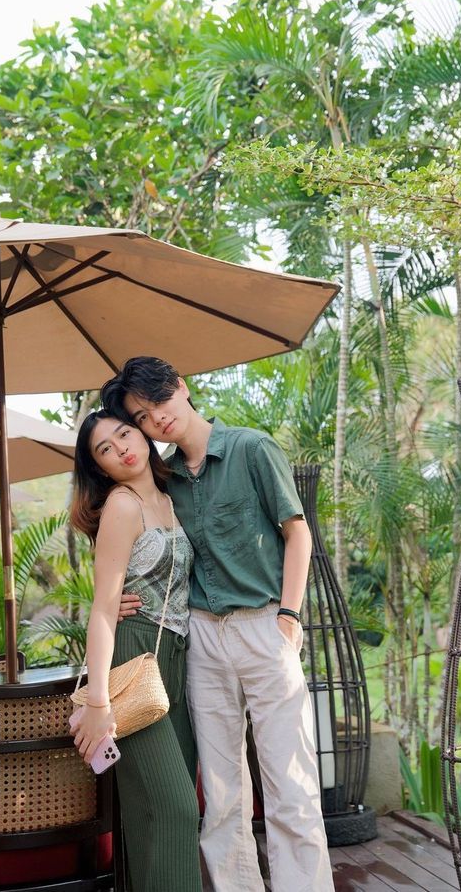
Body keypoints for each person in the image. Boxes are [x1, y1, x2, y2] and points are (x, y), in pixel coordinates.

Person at [102, 357, 334, 892]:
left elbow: (297, 533)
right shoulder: (165, 479)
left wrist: (290, 618)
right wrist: (112, 599)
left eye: (158, 400)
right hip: (203, 636)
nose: (155, 418)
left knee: (289, 784)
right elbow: (142, 549)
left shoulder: (252, 448)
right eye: (140, 415)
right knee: (224, 790)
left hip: (264, 626)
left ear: (181, 387)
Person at [68, 409, 202, 892]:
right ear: (101, 468)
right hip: (136, 651)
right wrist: (100, 701)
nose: (121, 447)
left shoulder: (171, 498)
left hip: (176, 658)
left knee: (155, 810)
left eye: (124, 433)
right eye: (105, 448)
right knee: (176, 808)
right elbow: (104, 609)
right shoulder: (123, 506)